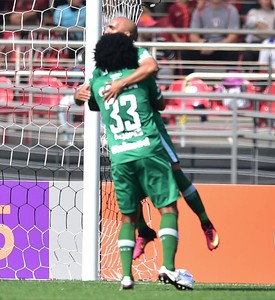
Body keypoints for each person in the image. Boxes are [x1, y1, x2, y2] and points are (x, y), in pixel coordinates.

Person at [75, 16, 219, 258]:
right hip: (122, 135)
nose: (106, 29)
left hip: (150, 131)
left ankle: (205, 221)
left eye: (112, 27)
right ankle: (143, 230)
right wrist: (80, 94)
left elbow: (152, 67)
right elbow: (92, 95)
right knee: (131, 187)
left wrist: (121, 83)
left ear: (128, 35)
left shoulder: (138, 53)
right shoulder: (102, 64)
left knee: (175, 173)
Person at [84, 32, 193, 291]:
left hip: (120, 156)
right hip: (150, 151)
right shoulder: (143, 81)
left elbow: (90, 103)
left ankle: (125, 276)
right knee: (167, 209)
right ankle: (167, 265)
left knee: (127, 218)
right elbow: (160, 103)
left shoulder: (99, 87)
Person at [181, 0, 240, 75]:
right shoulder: (200, 10)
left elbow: (233, 36)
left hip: (222, 46)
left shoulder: (232, 10)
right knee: (186, 52)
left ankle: (232, 83)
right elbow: (193, 36)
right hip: (205, 46)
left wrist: (215, 46)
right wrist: (202, 43)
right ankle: (187, 82)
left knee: (233, 52)